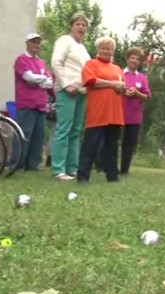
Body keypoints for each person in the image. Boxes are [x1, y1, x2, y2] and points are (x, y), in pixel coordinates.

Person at [76, 37, 126, 183]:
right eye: (103, 48)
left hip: (115, 113)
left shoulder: (117, 69)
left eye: (109, 49)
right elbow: (91, 81)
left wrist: (123, 88)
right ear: (98, 49)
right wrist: (113, 84)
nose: (106, 51)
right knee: (91, 145)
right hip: (98, 111)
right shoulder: (91, 64)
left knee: (112, 146)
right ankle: (83, 175)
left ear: (113, 51)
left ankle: (113, 176)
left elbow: (123, 86)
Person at [50, 12, 91, 181]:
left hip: (81, 92)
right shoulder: (64, 41)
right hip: (67, 91)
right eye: (78, 24)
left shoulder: (83, 48)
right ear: (71, 26)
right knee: (64, 128)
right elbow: (56, 62)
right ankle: (58, 169)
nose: (81, 27)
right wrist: (66, 84)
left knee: (76, 130)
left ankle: (72, 167)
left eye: (84, 25)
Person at [11, 33, 53, 172]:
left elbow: (50, 82)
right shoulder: (21, 60)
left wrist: (38, 80)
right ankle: (17, 163)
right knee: (24, 134)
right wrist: (41, 79)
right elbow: (28, 77)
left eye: (37, 42)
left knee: (38, 136)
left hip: (41, 104)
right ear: (27, 43)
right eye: (33, 42)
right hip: (26, 103)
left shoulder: (41, 62)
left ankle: (33, 165)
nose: (36, 45)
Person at [120, 46, 151, 175]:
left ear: (140, 62)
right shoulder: (119, 73)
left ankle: (124, 170)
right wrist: (124, 91)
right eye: (132, 58)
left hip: (134, 116)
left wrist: (137, 93)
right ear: (127, 59)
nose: (134, 61)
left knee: (129, 144)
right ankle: (105, 167)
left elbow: (147, 96)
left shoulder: (142, 78)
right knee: (111, 141)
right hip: (118, 114)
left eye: (137, 59)